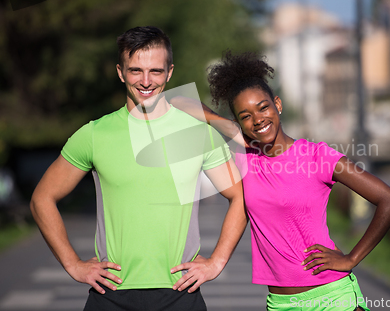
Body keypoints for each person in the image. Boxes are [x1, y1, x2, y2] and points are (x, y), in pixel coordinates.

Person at [30, 27, 247, 311]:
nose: (146, 81)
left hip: (180, 294)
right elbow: (41, 199)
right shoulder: (94, 134)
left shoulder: (197, 133)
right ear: (120, 72)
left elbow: (241, 196)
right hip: (110, 295)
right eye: (136, 71)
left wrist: (216, 261)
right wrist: (73, 264)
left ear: (169, 72)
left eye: (156, 71)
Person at [170, 51, 390, 311]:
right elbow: (180, 100)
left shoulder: (318, 156)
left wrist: (351, 259)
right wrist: (231, 127)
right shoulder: (244, 159)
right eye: (246, 115)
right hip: (280, 303)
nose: (258, 119)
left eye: (263, 107)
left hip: (332, 296)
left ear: (278, 105)